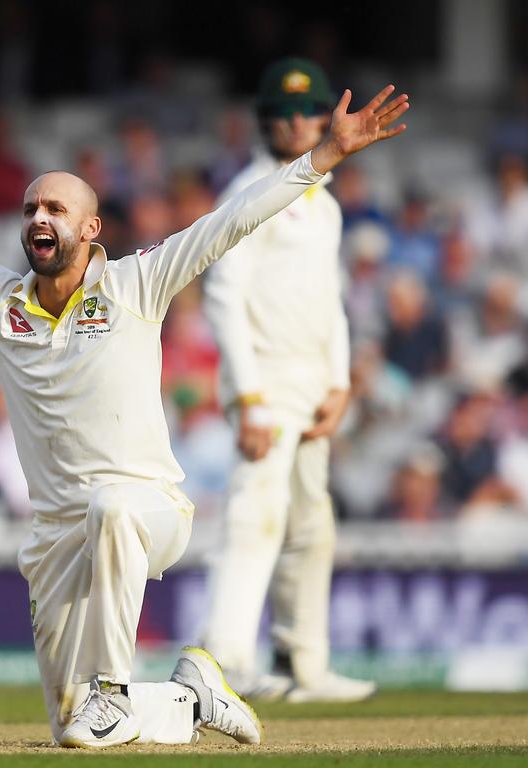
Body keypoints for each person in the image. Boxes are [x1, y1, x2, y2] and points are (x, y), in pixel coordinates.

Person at [0, 82, 407, 747]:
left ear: (91, 229)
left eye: (57, 208)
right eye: (32, 207)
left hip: (147, 510)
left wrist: (323, 156)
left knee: (111, 512)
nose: (40, 217)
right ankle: (189, 693)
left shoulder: (136, 283)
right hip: (56, 532)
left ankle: (116, 692)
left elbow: (231, 220)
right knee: (70, 729)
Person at [199, 58, 378, 703]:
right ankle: (223, 664)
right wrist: (247, 395)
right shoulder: (251, 191)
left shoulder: (323, 205)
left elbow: (329, 302)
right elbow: (224, 296)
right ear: (266, 121)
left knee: (312, 524)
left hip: (311, 387)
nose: (300, 121)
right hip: (265, 383)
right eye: (286, 112)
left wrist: (339, 384)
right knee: (255, 517)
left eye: (310, 111)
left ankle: (304, 665)